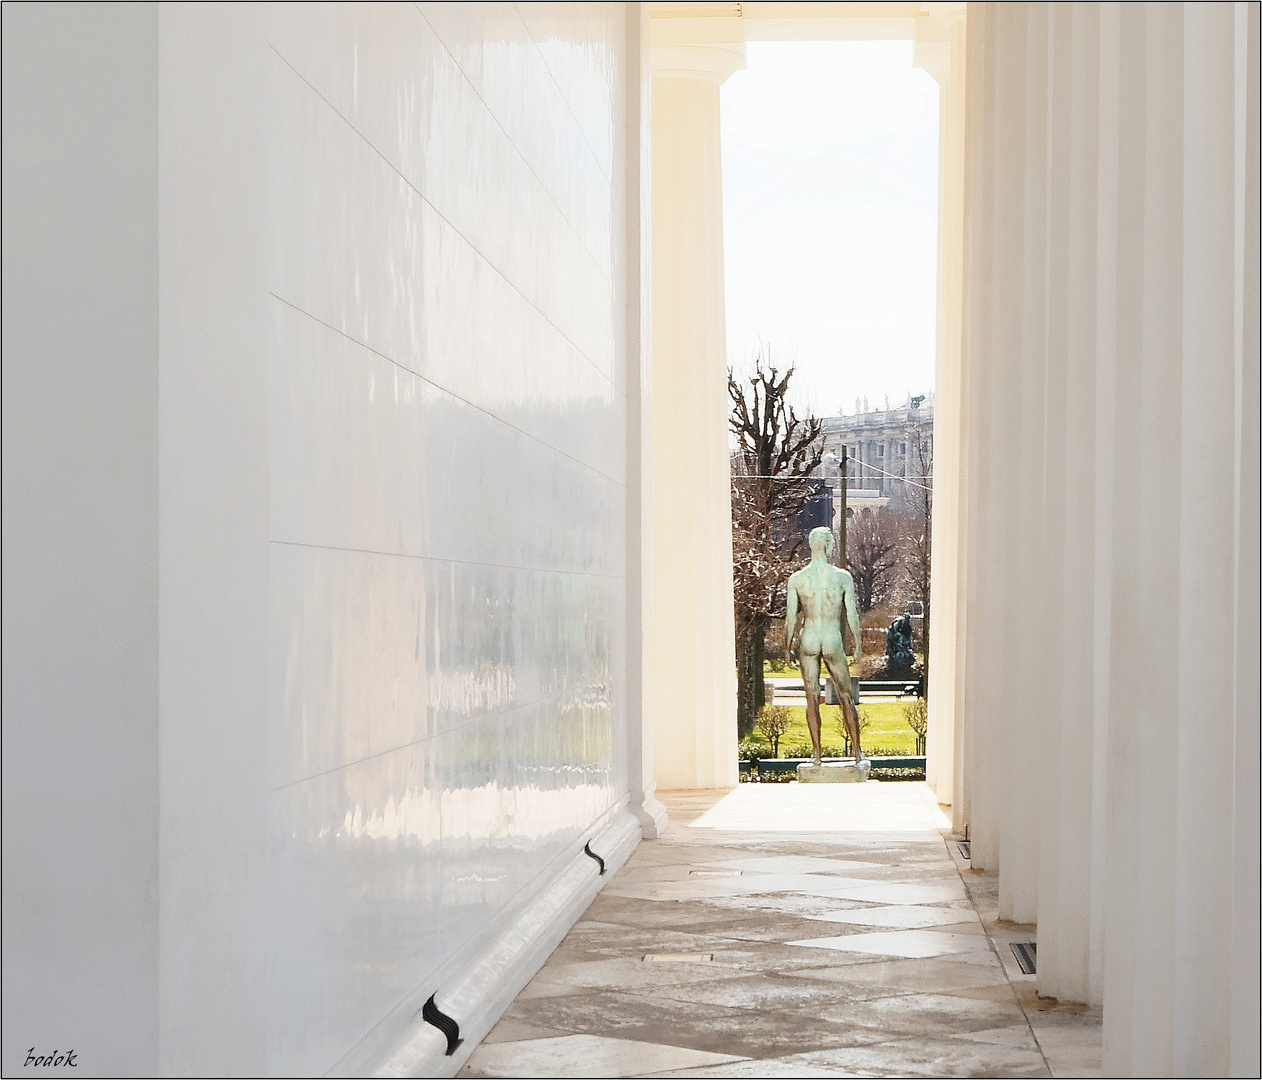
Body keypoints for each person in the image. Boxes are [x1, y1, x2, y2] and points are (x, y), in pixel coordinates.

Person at [785, 526, 864, 766]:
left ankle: (817, 755)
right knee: (845, 696)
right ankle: (857, 752)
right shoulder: (842, 577)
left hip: (808, 636)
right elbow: (852, 614)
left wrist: (785, 647)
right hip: (831, 636)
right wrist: (858, 644)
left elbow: (791, 618)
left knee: (811, 698)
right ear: (828, 546)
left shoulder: (798, 578)